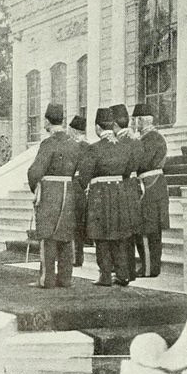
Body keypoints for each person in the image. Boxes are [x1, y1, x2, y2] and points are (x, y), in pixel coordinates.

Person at [77, 109, 137, 287]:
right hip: (120, 192)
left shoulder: (93, 148)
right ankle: (123, 274)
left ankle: (104, 275)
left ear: (97, 127)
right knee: (119, 234)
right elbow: (128, 170)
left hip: (100, 194)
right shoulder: (124, 145)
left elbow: (84, 177)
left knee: (101, 235)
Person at [27, 104, 80, 288]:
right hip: (69, 190)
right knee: (66, 235)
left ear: (47, 121)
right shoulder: (74, 143)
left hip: (50, 192)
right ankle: (65, 278)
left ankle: (47, 279)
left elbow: (35, 171)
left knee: (48, 236)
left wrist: (36, 187)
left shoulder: (48, 144)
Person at [132, 103, 170, 278]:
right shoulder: (153, 138)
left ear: (141, 120)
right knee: (152, 230)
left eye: (135, 120)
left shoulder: (150, 139)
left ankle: (149, 268)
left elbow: (142, 163)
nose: (133, 123)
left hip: (149, 185)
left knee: (147, 230)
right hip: (154, 185)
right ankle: (151, 267)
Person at [111, 104, 145, 283]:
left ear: (115, 125)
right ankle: (129, 272)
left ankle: (123, 273)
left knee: (120, 232)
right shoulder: (136, 141)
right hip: (134, 187)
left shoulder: (119, 143)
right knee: (130, 232)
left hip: (121, 187)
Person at [68, 116, 89, 267]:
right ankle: (77, 257)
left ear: (74, 131)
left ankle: (74, 257)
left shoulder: (74, 147)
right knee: (79, 226)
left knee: (73, 224)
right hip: (83, 188)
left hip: (74, 187)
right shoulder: (89, 146)